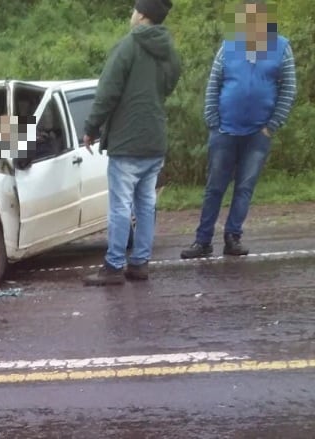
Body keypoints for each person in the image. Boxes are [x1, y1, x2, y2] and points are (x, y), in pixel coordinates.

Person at [181, 0, 297, 259]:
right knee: (214, 187)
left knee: (244, 187)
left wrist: (271, 126)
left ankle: (233, 237)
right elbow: (214, 83)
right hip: (224, 130)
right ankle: (202, 241)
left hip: (259, 133)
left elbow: (288, 89)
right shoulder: (229, 46)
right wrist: (213, 120)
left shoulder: (282, 47)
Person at [81, 0, 181, 286]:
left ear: (141, 14)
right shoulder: (169, 51)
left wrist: (90, 128)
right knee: (146, 204)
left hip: (127, 141)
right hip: (155, 140)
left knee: (121, 206)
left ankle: (113, 266)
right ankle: (139, 263)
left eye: (134, 9)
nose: (131, 14)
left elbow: (107, 91)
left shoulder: (128, 46)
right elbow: (169, 84)